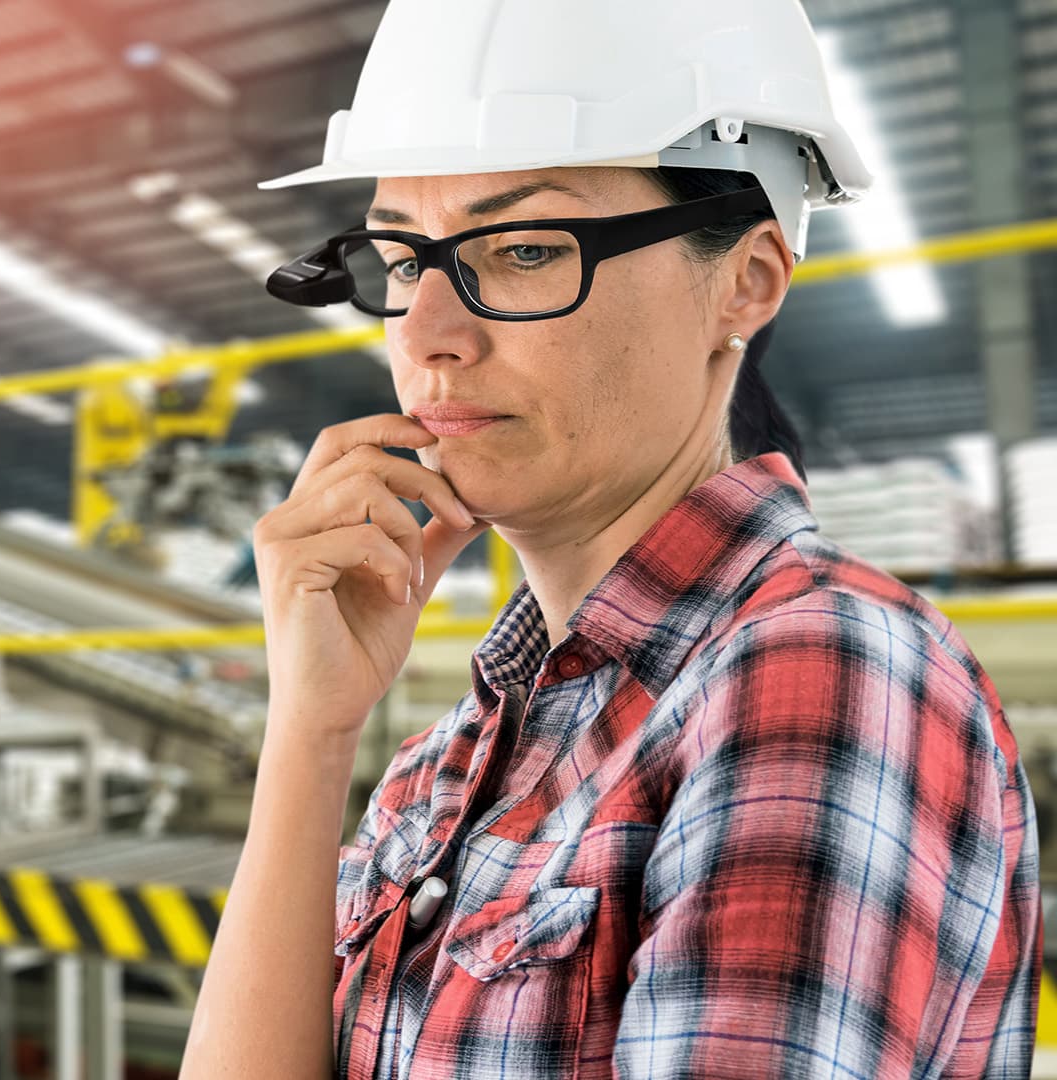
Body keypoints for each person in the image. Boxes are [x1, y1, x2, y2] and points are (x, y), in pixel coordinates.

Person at [180, 2, 1041, 1077]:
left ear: (748, 281)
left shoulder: (816, 670)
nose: (431, 337)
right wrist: (308, 730)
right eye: (404, 258)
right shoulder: (450, 758)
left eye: (528, 248)